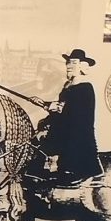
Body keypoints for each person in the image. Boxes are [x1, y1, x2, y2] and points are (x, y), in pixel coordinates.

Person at [31, 49, 101, 183]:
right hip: (64, 129)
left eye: (74, 62)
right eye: (68, 62)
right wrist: (44, 104)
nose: (69, 65)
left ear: (82, 66)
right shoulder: (67, 88)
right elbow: (62, 108)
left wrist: (51, 107)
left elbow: (74, 114)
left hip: (76, 135)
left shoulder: (85, 88)